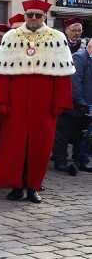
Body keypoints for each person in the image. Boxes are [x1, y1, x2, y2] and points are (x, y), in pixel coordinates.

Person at [0, 0, 74, 203]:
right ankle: (15, 186)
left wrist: (59, 103)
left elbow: (63, 76)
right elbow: (3, 74)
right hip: (16, 103)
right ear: (25, 16)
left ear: (44, 17)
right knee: (14, 146)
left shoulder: (57, 37)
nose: (33, 19)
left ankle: (32, 187)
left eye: (38, 15)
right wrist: (2, 101)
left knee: (40, 147)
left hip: (44, 104)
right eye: (30, 15)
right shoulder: (12, 37)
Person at [53, 35, 92, 174]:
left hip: (88, 106)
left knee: (83, 135)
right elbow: (75, 82)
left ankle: (81, 160)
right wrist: (81, 101)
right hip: (74, 105)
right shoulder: (79, 58)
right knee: (64, 134)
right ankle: (60, 160)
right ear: (89, 46)